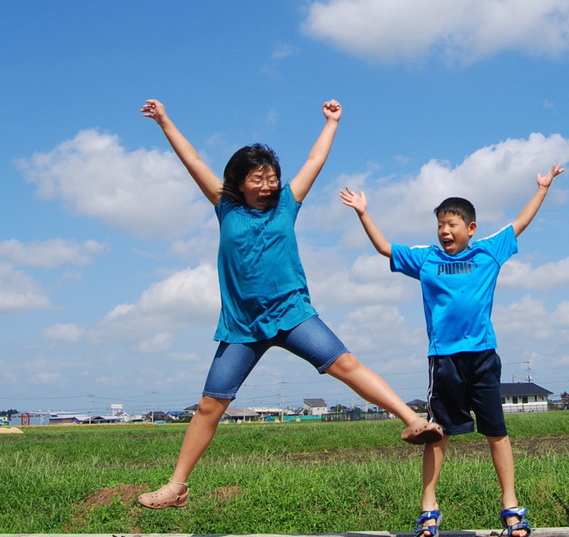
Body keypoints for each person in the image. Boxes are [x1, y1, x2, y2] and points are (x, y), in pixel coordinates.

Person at [137, 98, 442, 510]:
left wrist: (332, 122)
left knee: (346, 366)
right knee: (211, 404)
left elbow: (315, 161)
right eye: (258, 179)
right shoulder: (225, 206)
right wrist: (165, 121)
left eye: (272, 177)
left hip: (293, 314)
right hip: (243, 326)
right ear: (240, 181)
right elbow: (190, 159)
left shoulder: (287, 204)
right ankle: (176, 486)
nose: (267, 185)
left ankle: (412, 421)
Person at [340, 164, 565, 537]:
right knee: (437, 434)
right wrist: (364, 213)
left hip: (482, 356)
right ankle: (429, 509)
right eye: (441, 225)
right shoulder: (426, 258)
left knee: (496, 431)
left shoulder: (488, 252)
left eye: (452, 224)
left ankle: (511, 506)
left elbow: (519, 224)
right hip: (443, 360)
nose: (445, 231)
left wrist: (542, 189)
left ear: (470, 229)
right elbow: (384, 248)